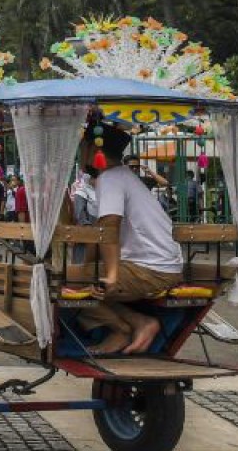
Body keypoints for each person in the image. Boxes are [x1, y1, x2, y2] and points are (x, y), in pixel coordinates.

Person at [77, 125, 184, 355]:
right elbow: (99, 232)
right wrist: (85, 267)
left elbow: (109, 226)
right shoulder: (122, 176)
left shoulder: (111, 178)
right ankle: (133, 324)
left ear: (93, 150)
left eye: (82, 147)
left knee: (64, 281)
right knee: (78, 274)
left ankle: (127, 327)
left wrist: (112, 276)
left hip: (151, 271)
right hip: (156, 267)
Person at [70, 167, 99, 264]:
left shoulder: (100, 191)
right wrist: (87, 226)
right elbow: (79, 213)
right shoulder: (81, 192)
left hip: (100, 233)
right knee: (82, 261)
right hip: (86, 232)